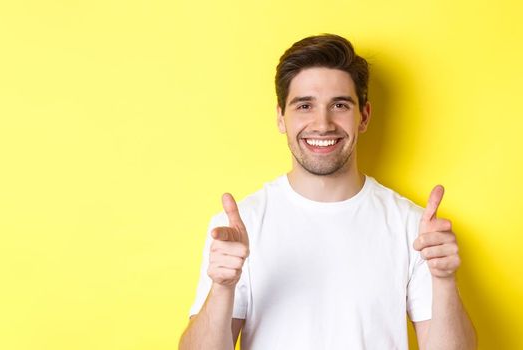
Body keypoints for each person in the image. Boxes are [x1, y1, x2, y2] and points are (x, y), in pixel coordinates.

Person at [177, 34, 477, 349]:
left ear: (364, 116)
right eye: (305, 105)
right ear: (281, 117)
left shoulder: (413, 228)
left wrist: (444, 283)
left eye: (339, 105)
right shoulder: (239, 229)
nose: (323, 123)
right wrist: (223, 288)